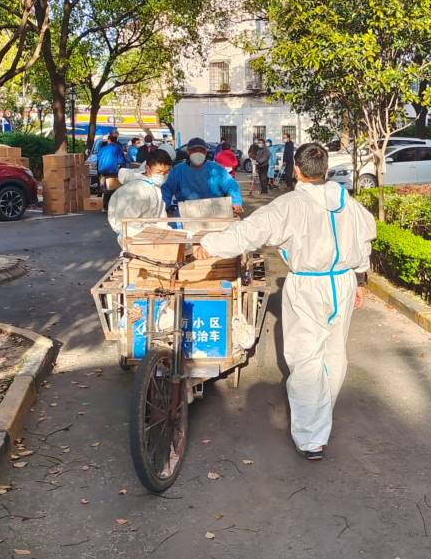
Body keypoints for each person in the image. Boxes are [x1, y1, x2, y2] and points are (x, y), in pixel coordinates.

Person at [193, 143, 376, 460]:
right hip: (343, 283)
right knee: (333, 354)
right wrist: (360, 279)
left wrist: (210, 245)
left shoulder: (290, 205)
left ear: (297, 169)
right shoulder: (350, 204)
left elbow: (252, 231)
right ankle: (320, 418)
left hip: (308, 285)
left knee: (305, 358)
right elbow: (365, 241)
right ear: (327, 170)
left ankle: (311, 439)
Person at [107, 149, 173, 247]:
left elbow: (160, 217)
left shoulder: (154, 188)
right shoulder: (134, 190)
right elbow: (126, 225)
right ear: (148, 168)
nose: (162, 175)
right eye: (159, 172)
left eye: (166, 172)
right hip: (135, 239)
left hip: (151, 234)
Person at [161, 137, 243, 215]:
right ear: (188, 152)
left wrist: (236, 202)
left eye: (201, 150)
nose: (197, 153)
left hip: (215, 212)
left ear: (205, 152)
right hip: (186, 214)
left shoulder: (215, 169)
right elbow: (167, 189)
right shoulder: (178, 170)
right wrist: (162, 207)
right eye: (194, 150)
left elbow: (231, 185)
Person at [96, 130, 127, 208]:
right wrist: (123, 168)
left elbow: (98, 159)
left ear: (109, 140)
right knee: (114, 189)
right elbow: (121, 160)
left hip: (102, 171)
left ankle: (105, 206)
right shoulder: (118, 148)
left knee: (106, 190)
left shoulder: (102, 148)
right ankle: (113, 206)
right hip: (113, 171)